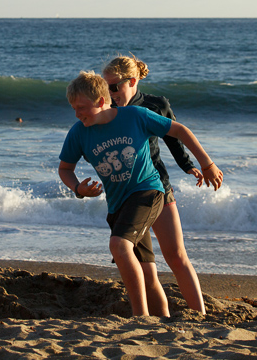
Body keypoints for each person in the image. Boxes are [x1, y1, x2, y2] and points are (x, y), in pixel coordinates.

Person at [58, 71, 222, 317]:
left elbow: (180, 131)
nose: (77, 114)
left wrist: (207, 164)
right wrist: (78, 188)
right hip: (118, 205)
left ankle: (141, 317)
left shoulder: (135, 116)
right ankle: (162, 322)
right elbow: (65, 169)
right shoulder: (79, 132)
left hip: (148, 191)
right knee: (146, 273)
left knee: (119, 245)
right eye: (73, 109)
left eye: (81, 107)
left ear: (101, 101)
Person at [102, 55, 223, 314]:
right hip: (124, 195)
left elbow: (175, 136)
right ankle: (160, 320)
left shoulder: (155, 105)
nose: (110, 94)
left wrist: (191, 164)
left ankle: (199, 316)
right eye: (106, 87)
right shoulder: (107, 110)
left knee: (177, 256)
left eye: (114, 87)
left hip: (156, 188)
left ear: (132, 81)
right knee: (146, 269)